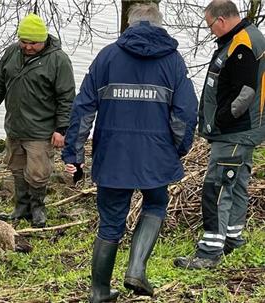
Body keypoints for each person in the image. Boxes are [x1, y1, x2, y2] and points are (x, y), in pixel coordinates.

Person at [61, 3, 198, 302]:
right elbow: (186, 112)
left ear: (129, 25)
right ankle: (136, 267)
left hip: (113, 154)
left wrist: (74, 155)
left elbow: (83, 109)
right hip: (156, 152)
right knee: (156, 202)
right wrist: (178, 148)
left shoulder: (107, 57)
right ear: (159, 25)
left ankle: (98, 291)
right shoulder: (173, 61)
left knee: (110, 222)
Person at [174, 0, 265, 270]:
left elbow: (246, 92)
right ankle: (232, 238)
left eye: (210, 25)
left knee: (217, 187)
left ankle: (209, 251)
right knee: (236, 184)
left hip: (234, 133)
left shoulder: (242, 44)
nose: (211, 30)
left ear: (222, 20)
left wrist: (222, 120)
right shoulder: (246, 37)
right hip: (245, 131)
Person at [0, 13, 75, 228]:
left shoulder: (58, 60)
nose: (28, 46)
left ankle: (38, 209)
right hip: (15, 126)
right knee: (16, 168)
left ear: (43, 39)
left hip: (41, 129)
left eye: (33, 43)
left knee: (37, 173)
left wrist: (62, 129)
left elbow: (66, 97)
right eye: (24, 42)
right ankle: (21, 208)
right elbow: (0, 81)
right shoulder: (11, 53)